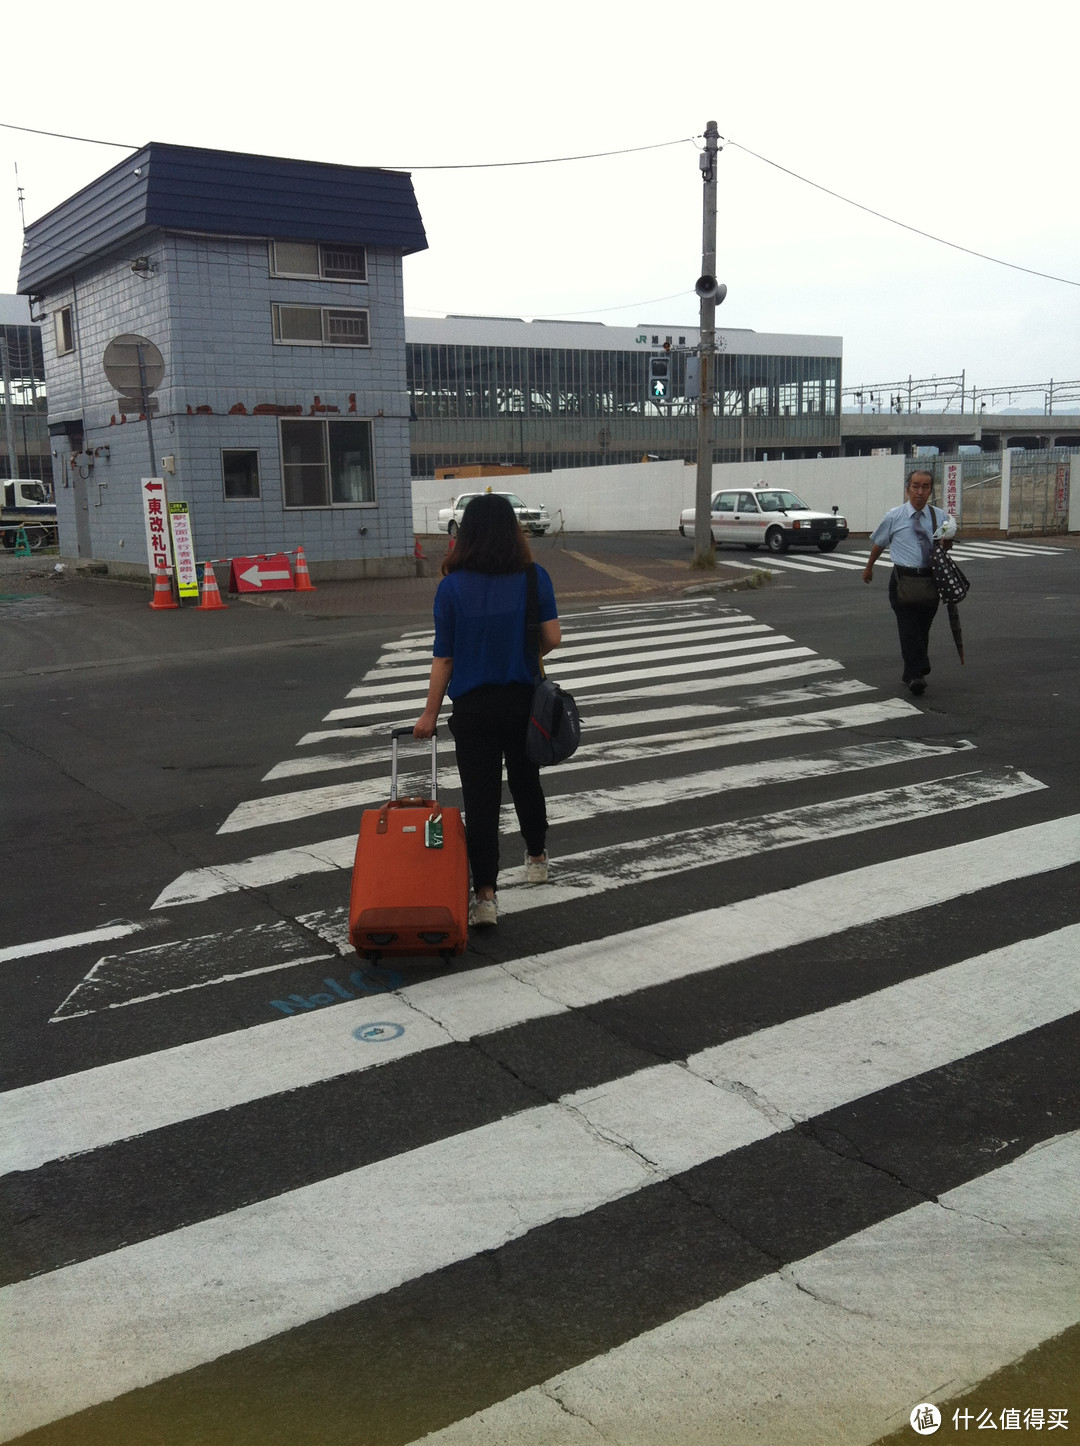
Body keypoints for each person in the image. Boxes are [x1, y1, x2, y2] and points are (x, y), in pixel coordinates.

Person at [413, 493, 562, 928]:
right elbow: (553, 637)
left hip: (473, 710)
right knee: (526, 783)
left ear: (468, 534)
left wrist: (428, 715)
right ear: (513, 532)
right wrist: (524, 654)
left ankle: (486, 898)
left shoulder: (452, 588)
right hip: (523, 704)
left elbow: (445, 659)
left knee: (481, 802)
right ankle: (536, 857)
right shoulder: (534, 578)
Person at [862, 469, 953, 695]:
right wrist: (869, 567)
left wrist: (946, 543)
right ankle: (917, 674)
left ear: (931, 490)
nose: (919, 492)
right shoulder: (894, 516)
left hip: (930, 582)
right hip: (903, 581)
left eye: (925, 487)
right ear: (907, 489)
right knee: (909, 628)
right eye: (915, 486)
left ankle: (910, 670)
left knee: (922, 629)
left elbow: (944, 547)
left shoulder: (939, 516)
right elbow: (879, 543)